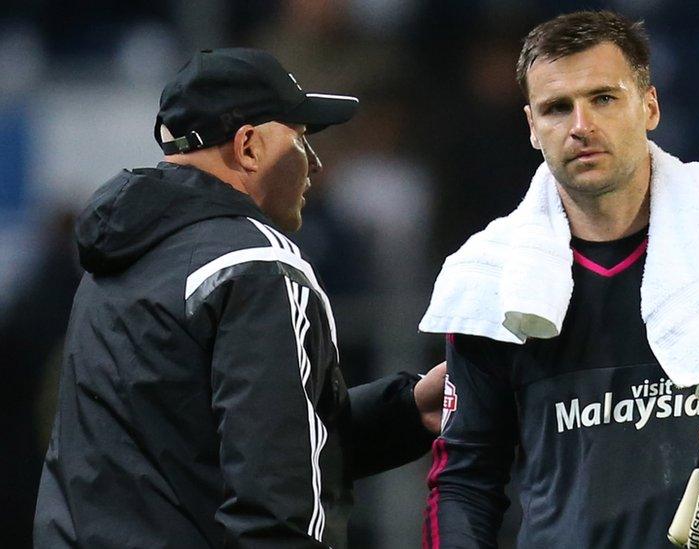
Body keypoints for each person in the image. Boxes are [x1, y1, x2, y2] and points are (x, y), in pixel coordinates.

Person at [420, 11, 699, 548]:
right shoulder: (492, 274)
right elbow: (465, 479)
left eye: (604, 98)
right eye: (558, 108)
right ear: (532, 127)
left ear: (649, 106)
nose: (581, 125)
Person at [33, 48, 445, 549]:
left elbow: (209, 451)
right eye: (300, 138)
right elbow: (277, 497)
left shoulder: (116, 258)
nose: (314, 164)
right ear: (249, 146)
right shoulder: (258, 262)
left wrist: (405, 409)